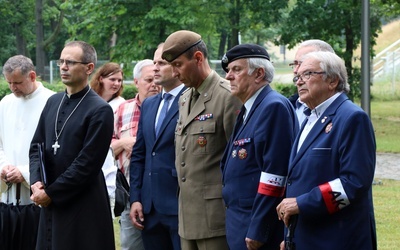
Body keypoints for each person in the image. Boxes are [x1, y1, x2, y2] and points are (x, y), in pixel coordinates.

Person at [276, 51, 376, 250]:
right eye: (297, 76)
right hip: (306, 236)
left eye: (308, 74)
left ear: (332, 81)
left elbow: (354, 182)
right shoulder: (311, 117)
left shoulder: (352, 118)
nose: (299, 82)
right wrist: (290, 237)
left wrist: (302, 204)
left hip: (336, 238)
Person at [29, 41, 115, 250]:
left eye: (70, 62)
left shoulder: (100, 110)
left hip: (82, 204)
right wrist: (37, 182)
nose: (63, 67)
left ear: (89, 68)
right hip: (50, 198)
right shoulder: (53, 102)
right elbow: (36, 147)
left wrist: (51, 194)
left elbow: (87, 164)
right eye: (61, 61)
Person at [162, 30, 242, 250]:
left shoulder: (227, 96)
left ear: (198, 58)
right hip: (187, 216)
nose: (174, 73)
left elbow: (238, 163)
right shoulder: (185, 97)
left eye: (178, 65)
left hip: (216, 218)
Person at [220, 44, 298, 250]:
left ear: (259, 73)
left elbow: (275, 173)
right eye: (228, 71)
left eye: (236, 69)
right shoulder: (250, 108)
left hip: (256, 228)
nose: (228, 76)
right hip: (240, 221)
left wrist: (258, 229)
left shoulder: (273, 107)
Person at [129, 43, 185, 250]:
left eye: (161, 63)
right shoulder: (150, 104)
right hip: (149, 210)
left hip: (180, 207)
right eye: (154, 62)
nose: (154, 68)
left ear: (178, 66)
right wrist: (135, 198)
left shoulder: (192, 101)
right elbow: (139, 155)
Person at [0, 55, 54, 248]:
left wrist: (24, 172)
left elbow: (53, 150)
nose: (13, 88)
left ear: (32, 76)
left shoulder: (51, 102)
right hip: (6, 199)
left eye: (17, 82)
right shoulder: (5, 103)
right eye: (9, 83)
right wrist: (4, 166)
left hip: (35, 200)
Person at [111, 59, 160, 250]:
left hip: (161, 192)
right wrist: (124, 143)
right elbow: (106, 147)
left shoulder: (170, 107)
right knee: (131, 245)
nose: (154, 84)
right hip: (130, 190)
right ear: (136, 81)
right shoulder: (122, 109)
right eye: (149, 80)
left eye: (156, 79)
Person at [91, 62, 128, 218]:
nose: (116, 84)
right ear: (101, 79)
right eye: (112, 79)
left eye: (119, 80)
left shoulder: (121, 104)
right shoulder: (90, 100)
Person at [287, 39, 335, 126]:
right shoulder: (290, 106)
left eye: (302, 64)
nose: (296, 70)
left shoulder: (347, 116)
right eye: (295, 64)